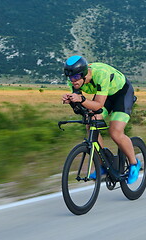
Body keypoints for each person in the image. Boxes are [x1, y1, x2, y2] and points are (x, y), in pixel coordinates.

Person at [61, 55, 140, 184]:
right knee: (90, 123)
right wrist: (71, 101)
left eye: (75, 77)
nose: (73, 81)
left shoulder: (101, 74)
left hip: (122, 95)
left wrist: (81, 99)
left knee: (115, 132)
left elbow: (97, 105)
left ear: (84, 73)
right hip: (105, 96)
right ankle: (103, 164)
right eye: (70, 77)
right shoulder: (73, 81)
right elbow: (80, 108)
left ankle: (134, 163)